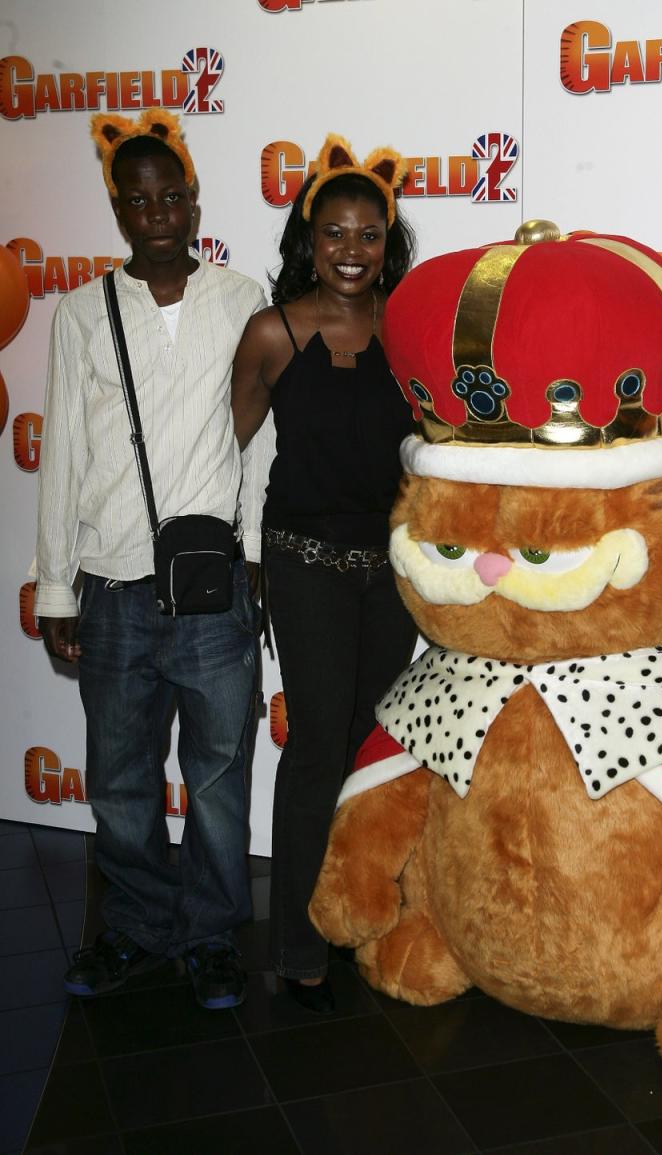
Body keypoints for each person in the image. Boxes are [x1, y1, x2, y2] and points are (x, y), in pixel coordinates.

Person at [36, 110, 269, 1010]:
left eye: (170, 194)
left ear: (194, 200)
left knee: (216, 778)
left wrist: (250, 551)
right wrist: (56, 581)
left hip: (212, 588)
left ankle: (212, 937)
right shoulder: (82, 311)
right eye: (138, 199)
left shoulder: (241, 296)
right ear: (118, 209)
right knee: (122, 778)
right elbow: (61, 451)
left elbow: (264, 439)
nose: (157, 211)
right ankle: (135, 927)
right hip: (114, 585)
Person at [231, 134, 419, 1013]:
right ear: (310, 239)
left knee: (361, 748)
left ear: (388, 240)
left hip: (389, 574)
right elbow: (219, 455)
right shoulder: (273, 331)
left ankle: (350, 913)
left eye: (369, 234)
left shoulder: (411, 329)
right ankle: (297, 941)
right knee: (313, 749)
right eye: (336, 233)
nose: (353, 250)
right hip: (302, 564)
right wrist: (234, 560)